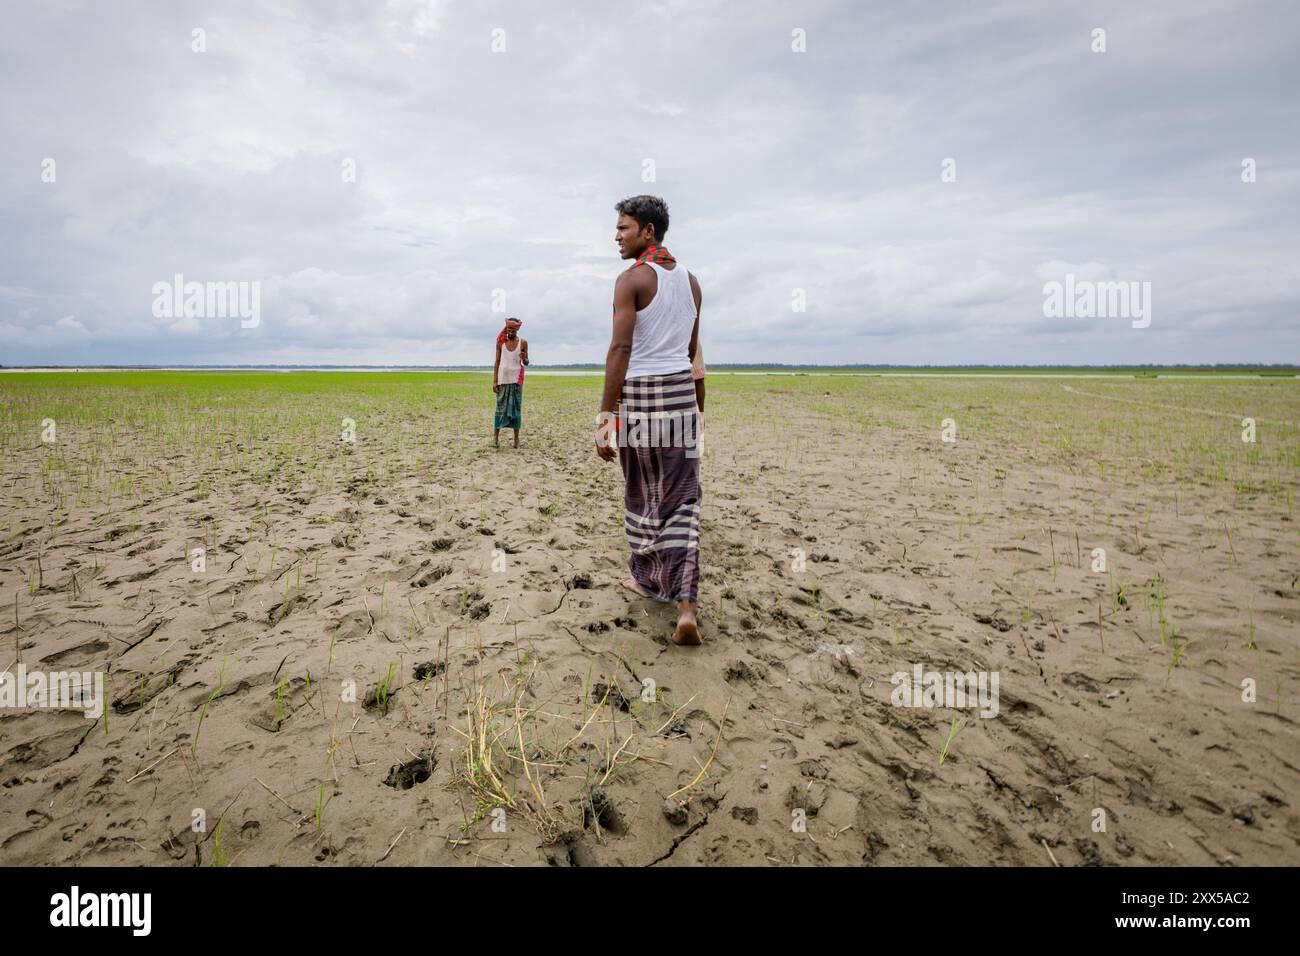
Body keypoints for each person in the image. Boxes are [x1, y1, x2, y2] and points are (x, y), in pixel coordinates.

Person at [596, 195, 703, 646]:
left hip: (641, 397)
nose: (616, 236)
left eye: (623, 228)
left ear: (648, 232)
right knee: (683, 500)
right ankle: (686, 607)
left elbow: (620, 350)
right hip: (680, 395)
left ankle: (646, 580)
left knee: (642, 492)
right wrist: (699, 408)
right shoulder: (692, 282)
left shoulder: (632, 280)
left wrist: (606, 413)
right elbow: (692, 353)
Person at [493, 317, 528, 448]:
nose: (510, 331)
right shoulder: (500, 343)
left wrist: (525, 358)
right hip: (502, 381)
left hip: (516, 381)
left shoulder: (523, 343)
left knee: (516, 410)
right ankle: (495, 440)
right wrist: (495, 381)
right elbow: (497, 362)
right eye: (508, 329)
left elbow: (526, 362)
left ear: (517, 329)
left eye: (513, 329)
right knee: (499, 409)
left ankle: (516, 441)